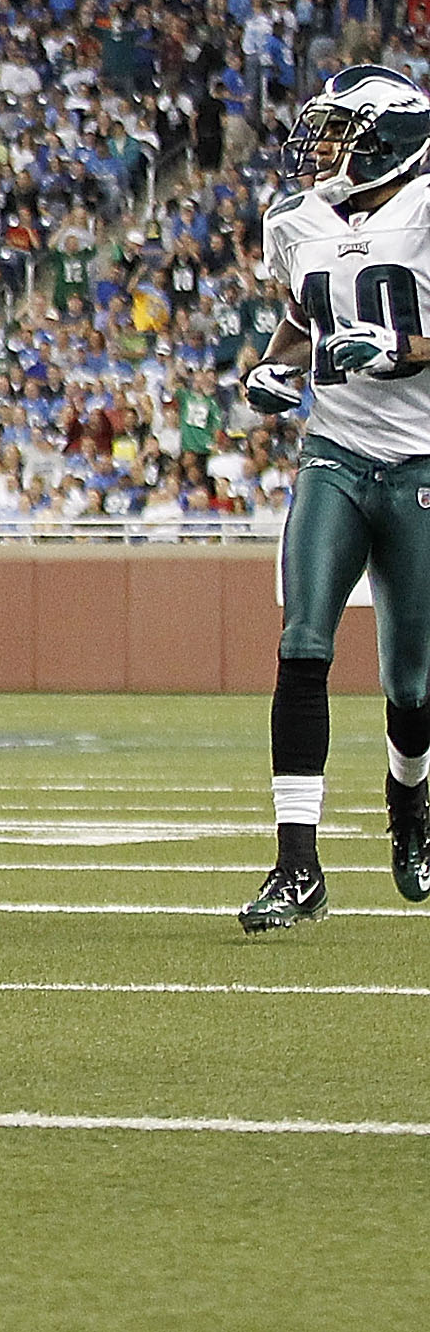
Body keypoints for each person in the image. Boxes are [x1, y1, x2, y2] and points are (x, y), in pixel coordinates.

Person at [236, 65, 430, 929]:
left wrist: (395, 348)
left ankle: (409, 810)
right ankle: (297, 867)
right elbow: (305, 312)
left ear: (387, 137)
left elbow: (389, 332)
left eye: (340, 133)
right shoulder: (300, 218)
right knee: (303, 640)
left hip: (422, 464)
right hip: (336, 454)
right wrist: (277, 363)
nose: (321, 150)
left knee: (413, 685)